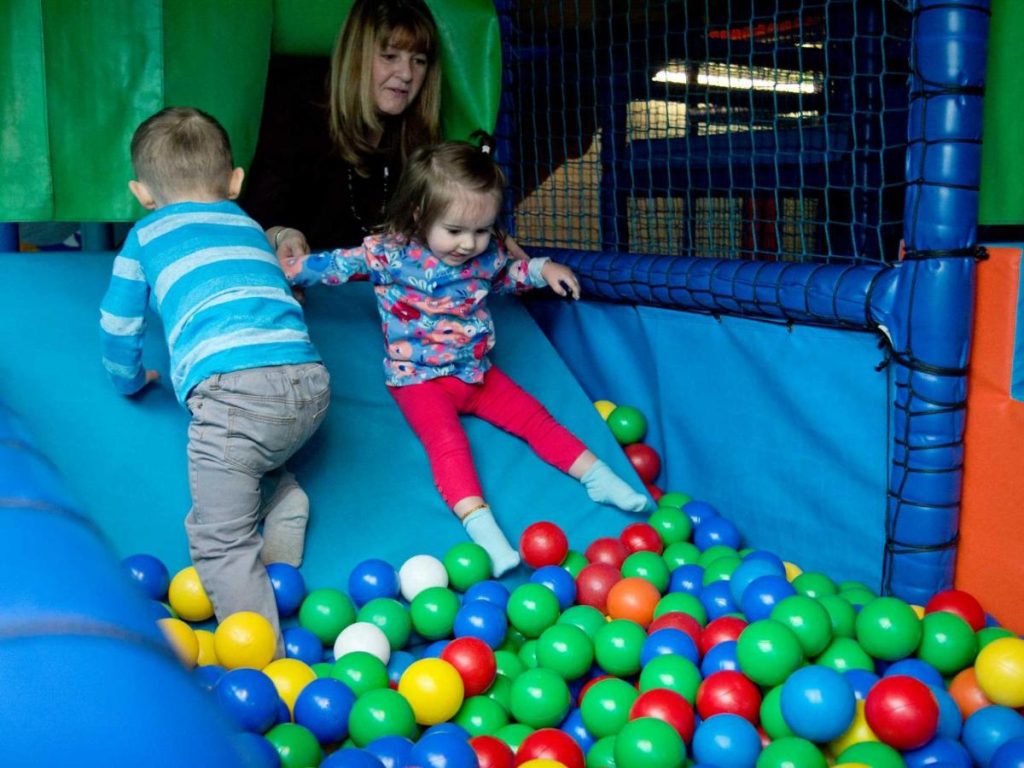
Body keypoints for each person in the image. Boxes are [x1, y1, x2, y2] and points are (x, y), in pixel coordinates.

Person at [279, 139, 652, 576]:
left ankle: (599, 477)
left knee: (536, 419)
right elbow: (331, 266)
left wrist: (541, 268)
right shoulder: (388, 254)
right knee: (449, 446)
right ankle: (486, 532)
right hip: (417, 380)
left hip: (476, 373)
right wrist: (285, 272)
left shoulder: (484, 253)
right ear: (419, 214)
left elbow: (507, 275)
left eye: (480, 231)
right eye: (455, 231)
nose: (468, 244)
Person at [99, 107, 331, 654]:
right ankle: (281, 495)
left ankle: (267, 660)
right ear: (234, 182)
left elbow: (118, 324)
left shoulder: (145, 235)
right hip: (311, 390)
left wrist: (129, 381)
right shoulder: (247, 223)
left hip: (236, 401)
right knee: (258, 451)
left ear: (142, 192)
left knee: (218, 536)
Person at [240, 0, 441, 258]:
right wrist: (282, 235)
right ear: (357, 55)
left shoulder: (413, 137)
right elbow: (257, 217)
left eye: (419, 61)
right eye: (390, 56)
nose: (406, 74)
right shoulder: (298, 108)